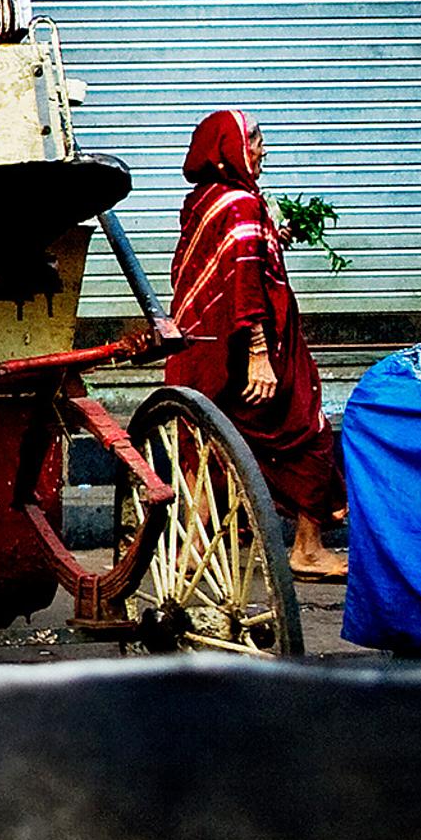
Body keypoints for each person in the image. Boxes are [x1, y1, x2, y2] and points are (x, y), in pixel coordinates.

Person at [171, 111, 347, 578]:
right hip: (249, 350)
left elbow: (225, 267)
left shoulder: (205, 200)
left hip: (205, 350)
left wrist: (275, 237)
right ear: (228, 148)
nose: (262, 151)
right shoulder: (242, 206)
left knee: (214, 440)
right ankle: (307, 549)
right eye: (254, 142)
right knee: (310, 433)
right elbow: (246, 283)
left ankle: (191, 547)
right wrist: (258, 355)